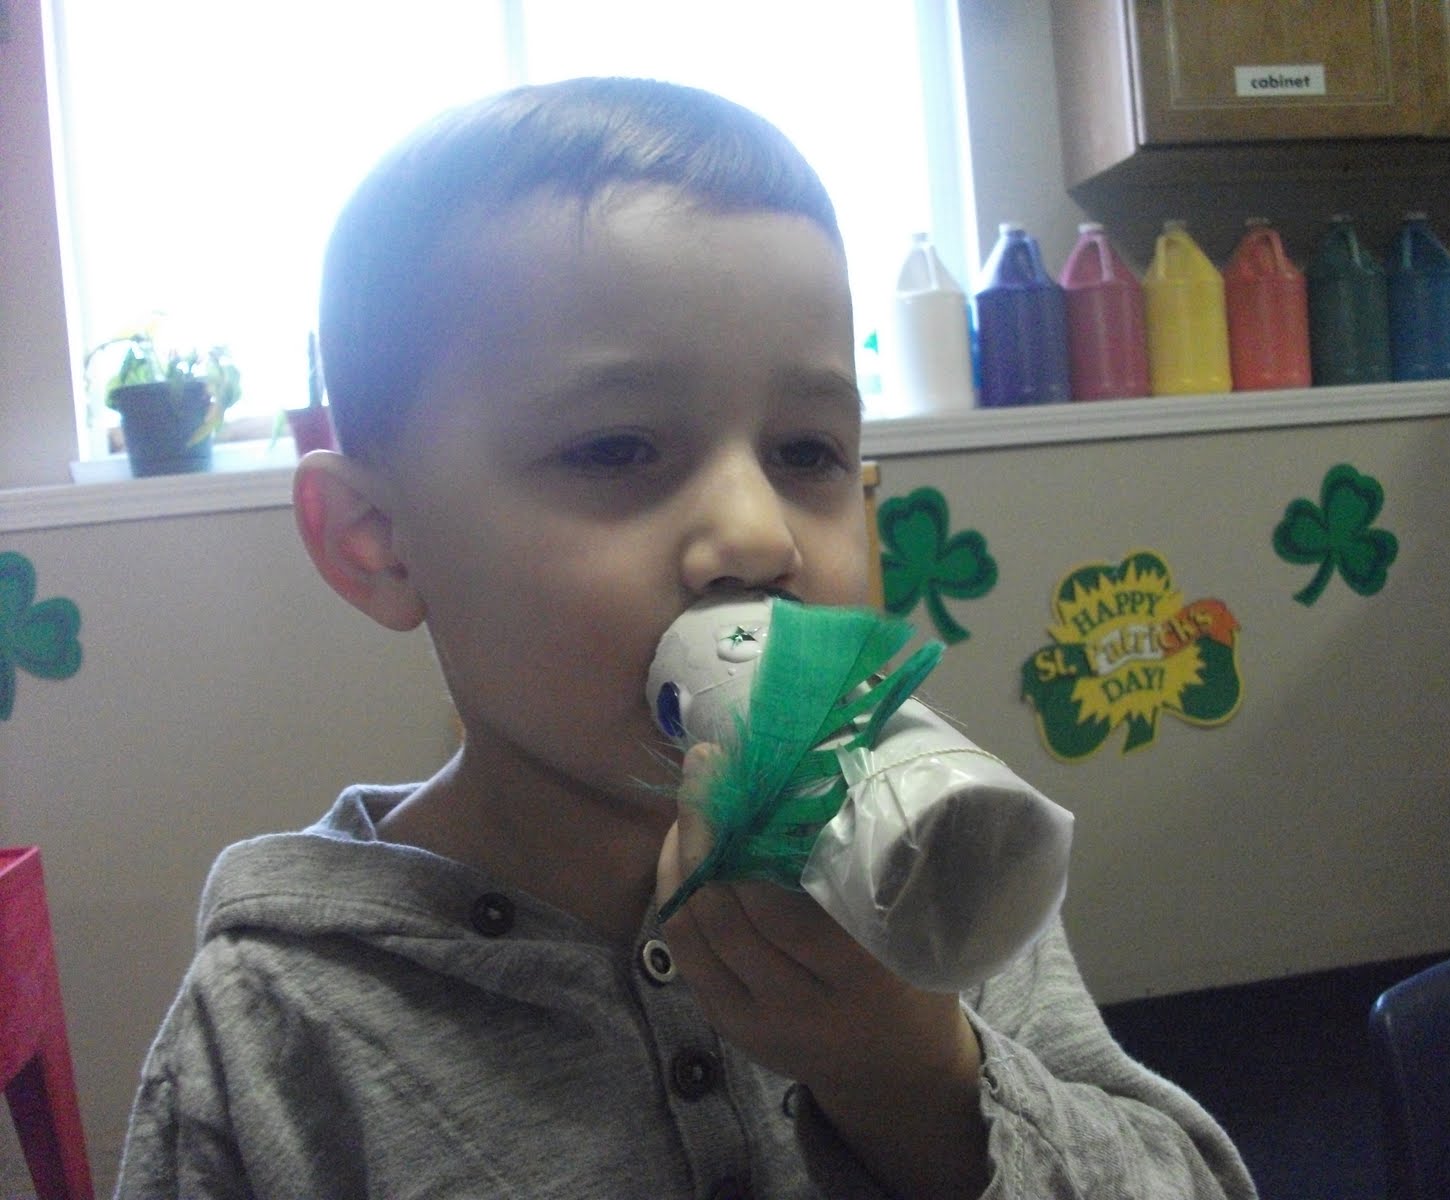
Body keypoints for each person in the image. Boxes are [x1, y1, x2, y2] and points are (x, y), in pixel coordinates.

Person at [114, 77, 1257, 1199]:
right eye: (616, 449)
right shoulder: (276, 1029)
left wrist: (914, 1077)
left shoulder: (920, 865)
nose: (758, 536)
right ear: (377, 542)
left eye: (805, 453)